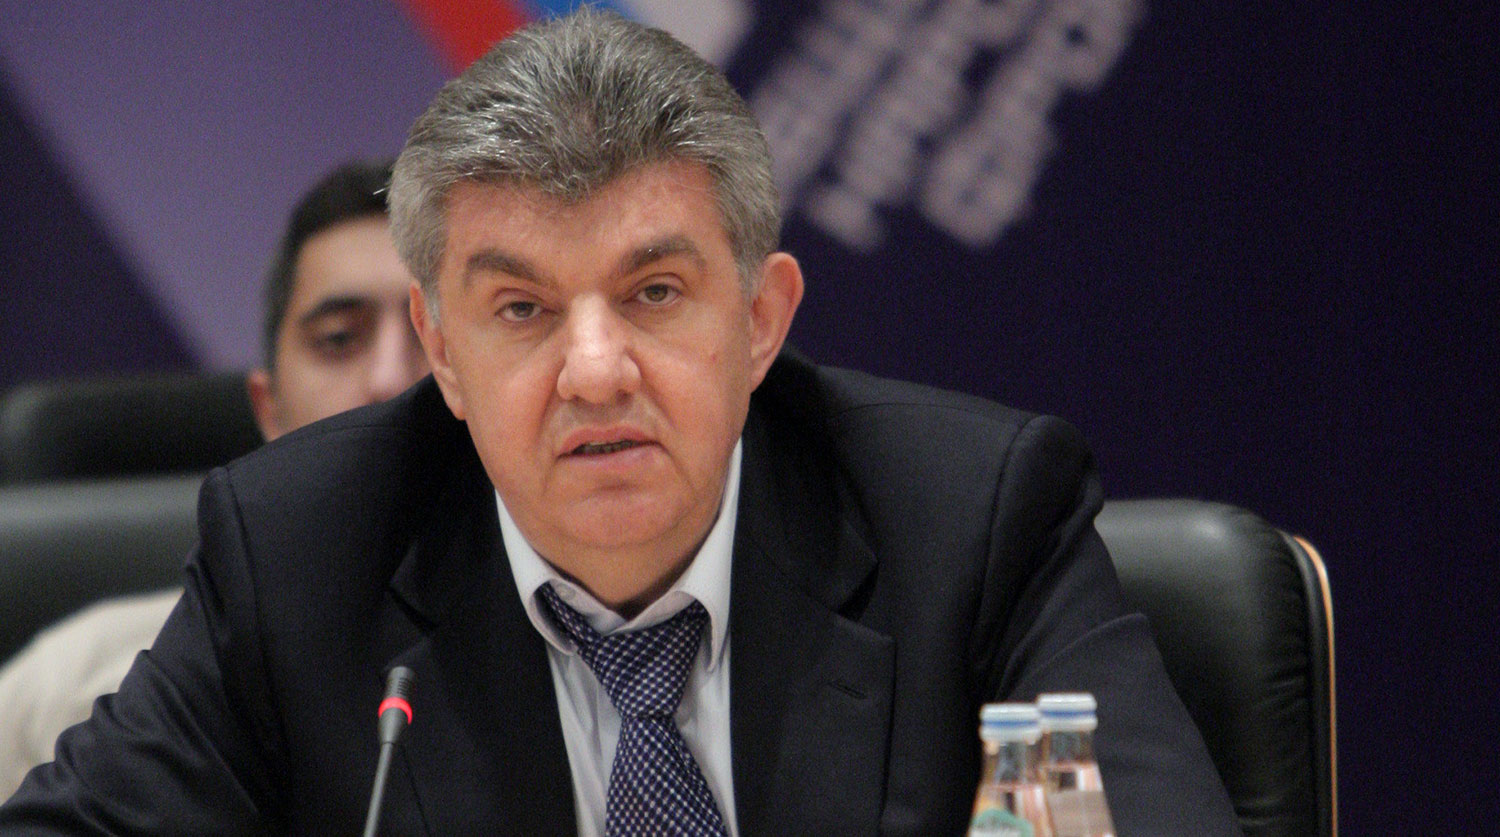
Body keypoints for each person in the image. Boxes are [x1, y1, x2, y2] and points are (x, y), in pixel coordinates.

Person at [0, 10, 1240, 834]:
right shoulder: (302, 553)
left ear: (761, 318)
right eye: (522, 309)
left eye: (653, 293)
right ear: (444, 353)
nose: (594, 372)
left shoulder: (969, 518)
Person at [0, 159, 429, 798]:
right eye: (340, 339)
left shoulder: (570, 665)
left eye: (432, 332)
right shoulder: (72, 685)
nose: (390, 378)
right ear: (268, 407)